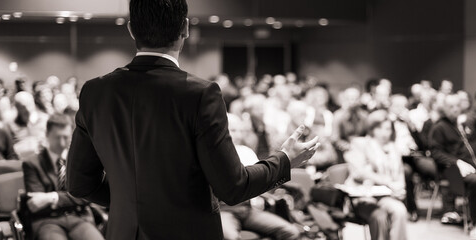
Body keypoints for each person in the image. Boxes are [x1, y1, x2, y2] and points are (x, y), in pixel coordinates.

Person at [65, 1, 319, 239]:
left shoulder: (95, 92)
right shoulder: (200, 94)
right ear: (185, 27)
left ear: (131, 30)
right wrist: (284, 160)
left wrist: (131, 201)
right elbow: (233, 187)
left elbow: (78, 184)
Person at [22, 114, 103, 240]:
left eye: (65, 137)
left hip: (78, 217)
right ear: (47, 134)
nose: (61, 143)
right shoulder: (32, 164)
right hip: (48, 221)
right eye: (57, 137)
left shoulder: (79, 160)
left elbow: (86, 197)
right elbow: (35, 203)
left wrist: (51, 197)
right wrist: (71, 198)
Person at [220, 114, 299, 240]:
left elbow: (262, 180)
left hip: (247, 209)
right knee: (231, 238)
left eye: (241, 131)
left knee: (291, 232)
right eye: (233, 130)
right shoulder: (214, 155)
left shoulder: (246, 151)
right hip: (224, 210)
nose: (239, 135)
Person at [428, 94, 476, 239]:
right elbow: (436, 153)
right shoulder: (439, 127)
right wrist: (456, 162)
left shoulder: (465, 124)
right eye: (451, 106)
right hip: (453, 171)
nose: (455, 109)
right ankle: (475, 223)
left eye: (457, 106)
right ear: (444, 109)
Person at [344, 110, 408, 240]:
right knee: (384, 215)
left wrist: (400, 188)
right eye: (379, 128)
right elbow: (359, 172)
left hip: (387, 195)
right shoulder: (360, 144)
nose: (384, 133)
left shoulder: (393, 148)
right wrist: (386, 182)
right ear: (372, 128)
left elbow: (400, 174)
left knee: (399, 210)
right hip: (364, 195)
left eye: (388, 129)